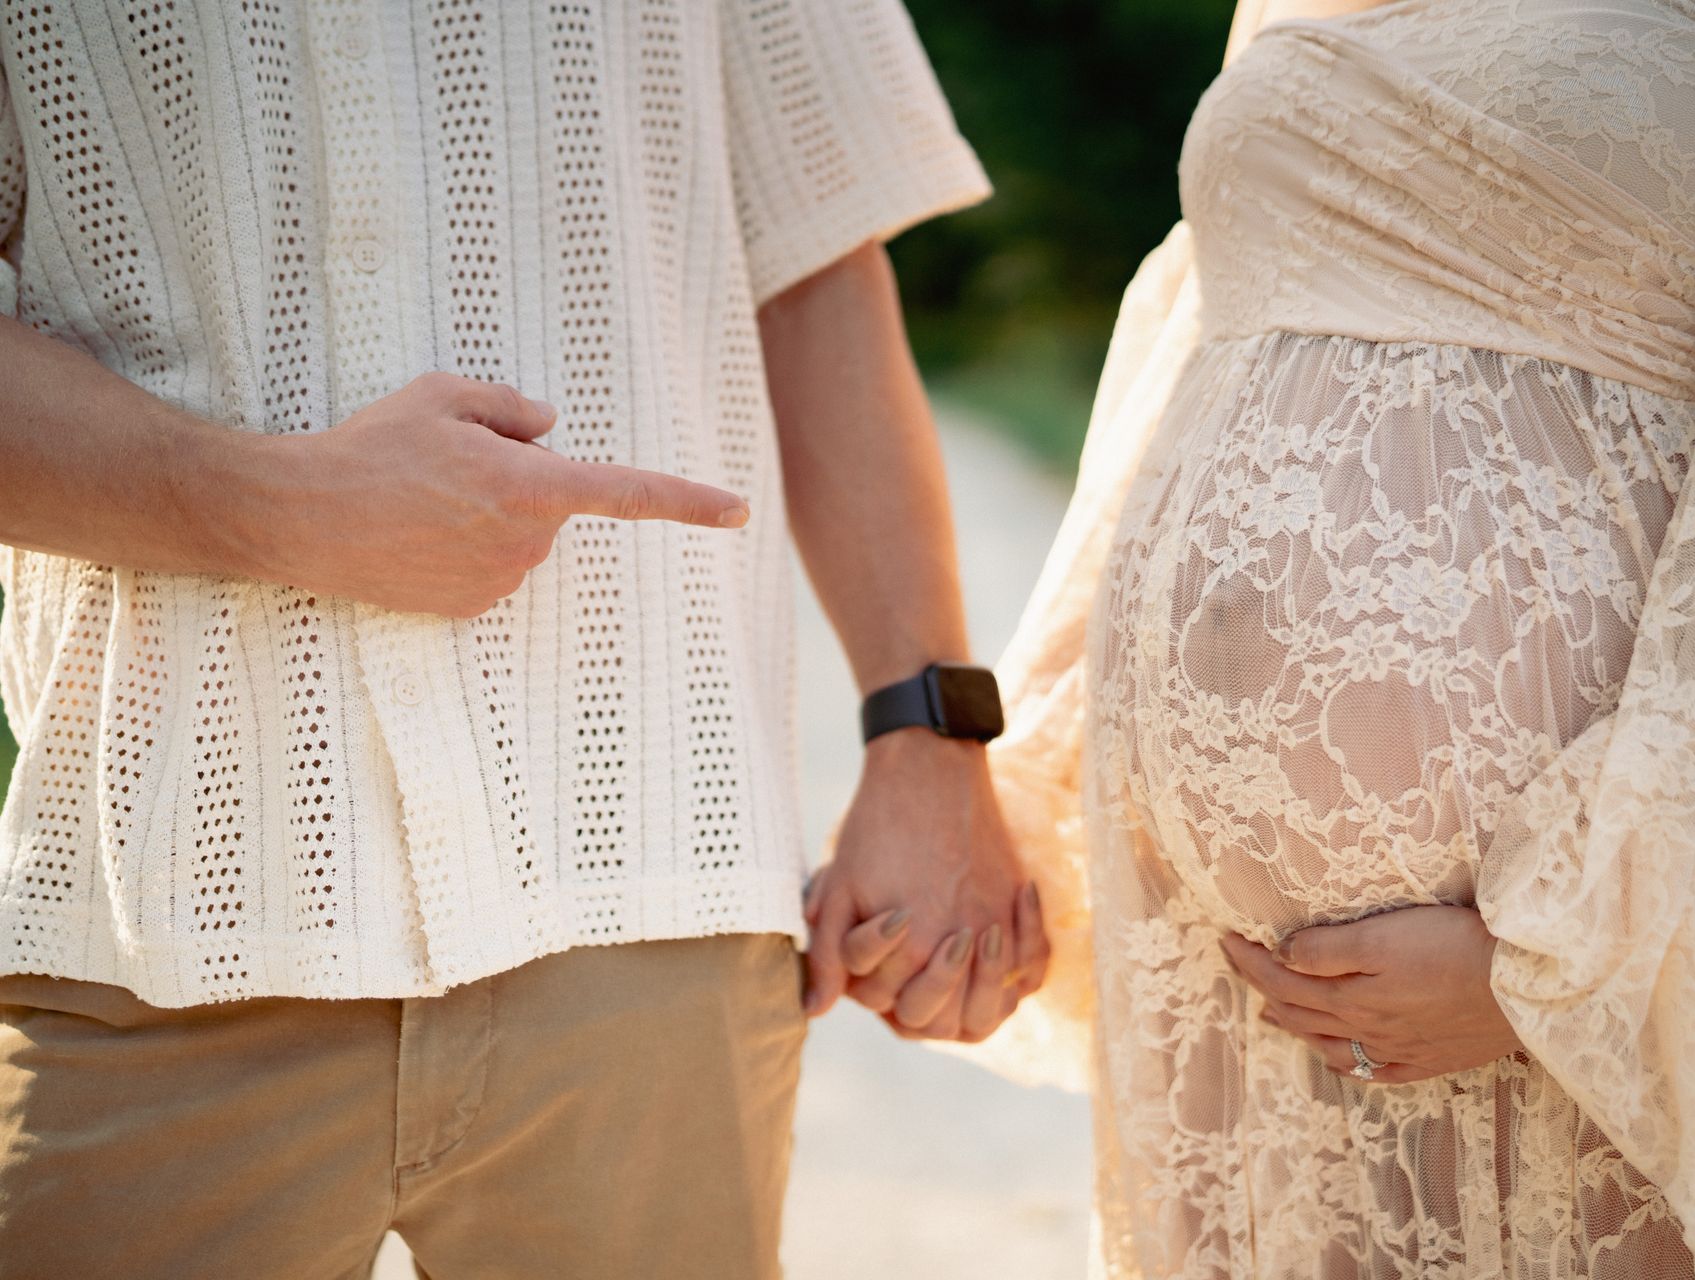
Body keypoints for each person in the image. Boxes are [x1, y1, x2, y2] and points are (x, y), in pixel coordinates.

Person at [0, 4, 1042, 1277]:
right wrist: (277, 508)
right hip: (156, 928)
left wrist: (929, 730)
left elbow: (817, 252)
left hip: (660, 891)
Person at [927, 0, 1695, 1276]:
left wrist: (1569, 966)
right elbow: (1198, 346)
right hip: (1227, 987)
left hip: (1590, 969)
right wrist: (1008, 781)